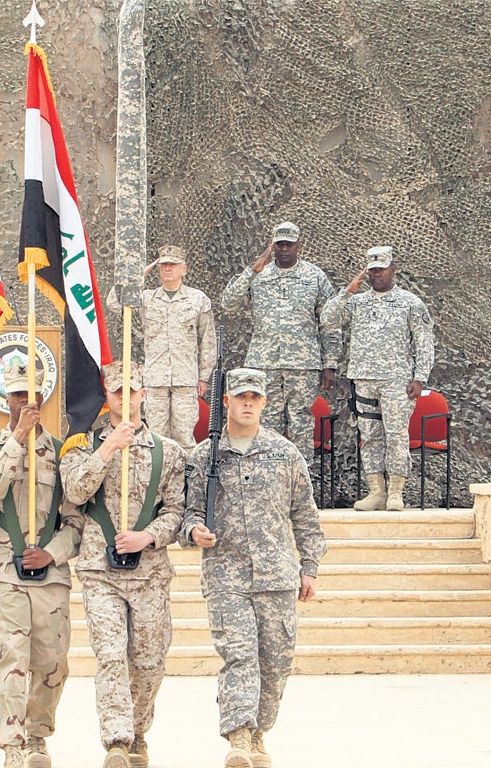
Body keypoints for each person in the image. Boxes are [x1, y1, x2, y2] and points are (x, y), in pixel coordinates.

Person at [181, 368, 327, 768]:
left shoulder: (285, 453)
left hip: (277, 574)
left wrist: (309, 567)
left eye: (255, 397)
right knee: (239, 655)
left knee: (276, 662)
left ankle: (260, 731)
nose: (247, 403)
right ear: (225, 401)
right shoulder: (204, 455)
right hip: (226, 574)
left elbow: (305, 516)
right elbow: (187, 512)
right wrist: (194, 530)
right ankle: (240, 737)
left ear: (263, 402)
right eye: (240, 396)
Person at [58, 361, 187, 768]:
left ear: (143, 395)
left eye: (133, 391)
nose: (126, 399)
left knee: (149, 662)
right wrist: (108, 446)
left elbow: (177, 511)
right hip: (101, 571)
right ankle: (116, 740)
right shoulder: (80, 447)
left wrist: (148, 536)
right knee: (111, 656)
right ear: (107, 396)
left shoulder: (169, 451)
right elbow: (75, 491)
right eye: (118, 392)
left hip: (149, 572)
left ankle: (138, 730)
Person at [0, 364, 82, 768]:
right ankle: (13, 741)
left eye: (32, 395)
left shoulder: (62, 452)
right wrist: (18, 438)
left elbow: (76, 521)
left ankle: (38, 734)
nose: (25, 401)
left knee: (52, 661)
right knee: (13, 657)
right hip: (4, 570)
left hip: (50, 573)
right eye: (18, 395)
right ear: (7, 399)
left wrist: (52, 552)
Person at [320, 247, 435, 511]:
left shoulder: (410, 303)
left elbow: (424, 342)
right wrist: (348, 290)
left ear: (393, 269)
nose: (377, 275)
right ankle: (376, 491)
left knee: (395, 434)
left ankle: (396, 491)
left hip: (397, 380)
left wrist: (420, 378)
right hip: (363, 380)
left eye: (381, 269)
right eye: (372, 270)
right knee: (370, 436)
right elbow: (328, 319)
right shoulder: (358, 303)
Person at [219, 222, 338, 461]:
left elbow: (330, 321)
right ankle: (268, 476)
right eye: (280, 245)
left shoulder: (314, 276)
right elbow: (228, 303)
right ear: (273, 246)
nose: (285, 249)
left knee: (301, 423)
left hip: (303, 364)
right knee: (266, 423)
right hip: (264, 363)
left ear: (298, 245)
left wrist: (330, 363)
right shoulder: (259, 273)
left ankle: (302, 483)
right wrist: (252, 271)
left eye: (289, 245)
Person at [106, 245, 216, 451]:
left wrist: (203, 377)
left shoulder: (198, 299)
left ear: (184, 269)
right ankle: (159, 481)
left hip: (186, 379)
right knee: (156, 439)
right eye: (163, 265)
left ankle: (186, 482)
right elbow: (113, 302)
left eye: (173, 265)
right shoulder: (146, 298)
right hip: (155, 379)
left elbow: (208, 340)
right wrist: (140, 275)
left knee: (185, 439)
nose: (167, 269)